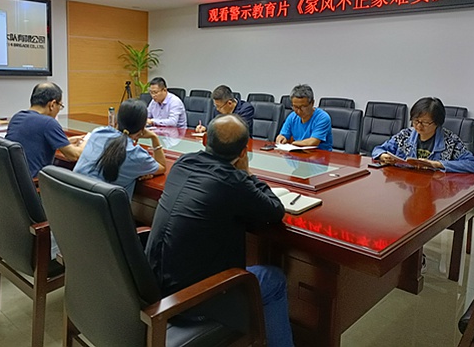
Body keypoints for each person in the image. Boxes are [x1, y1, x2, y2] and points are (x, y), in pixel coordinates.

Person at [146, 114, 294, 347]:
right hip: (194, 301)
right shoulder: (233, 181)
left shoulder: (183, 163)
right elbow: (274, 210)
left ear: (205, 139)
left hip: (155, 288)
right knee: (274, 279)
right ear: (244, 152)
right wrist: (247, 173)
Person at [73, 98, 166, 199]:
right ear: (143, 128)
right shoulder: (136, 155)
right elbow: (162, 167)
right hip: (107, 208)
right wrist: (154, 137)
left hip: (75, 202)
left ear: (117, 120)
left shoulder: (98, 133)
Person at [372, 97, 474, 173]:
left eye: (425, 123)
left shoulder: (450, 142)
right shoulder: (405, 135)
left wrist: (437, 164)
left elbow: (472, 164)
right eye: (416, 121)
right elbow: (378, 149)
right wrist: (383, 155)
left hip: (435, 188)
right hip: (408, 185)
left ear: (437, 123)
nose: (419, 126)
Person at [5, 82, 85, 178]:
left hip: (13, 180)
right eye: (60, 106)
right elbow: (73, 156)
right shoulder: (48, 122)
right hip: (35, 183)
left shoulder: (17, 117)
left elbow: (33, 143)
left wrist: (65, 141)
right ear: (52, 104)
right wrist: (87, 142)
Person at [276, 84, 333, 151]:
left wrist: (293, 144)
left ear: (312, 103)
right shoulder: (292, 116)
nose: (299, 111)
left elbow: (313, 142)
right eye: (295, 107)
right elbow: (282, 135)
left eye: (303, 107)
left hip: (319, 155)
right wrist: (281, 138)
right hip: (298, 153)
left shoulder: (322, 118)